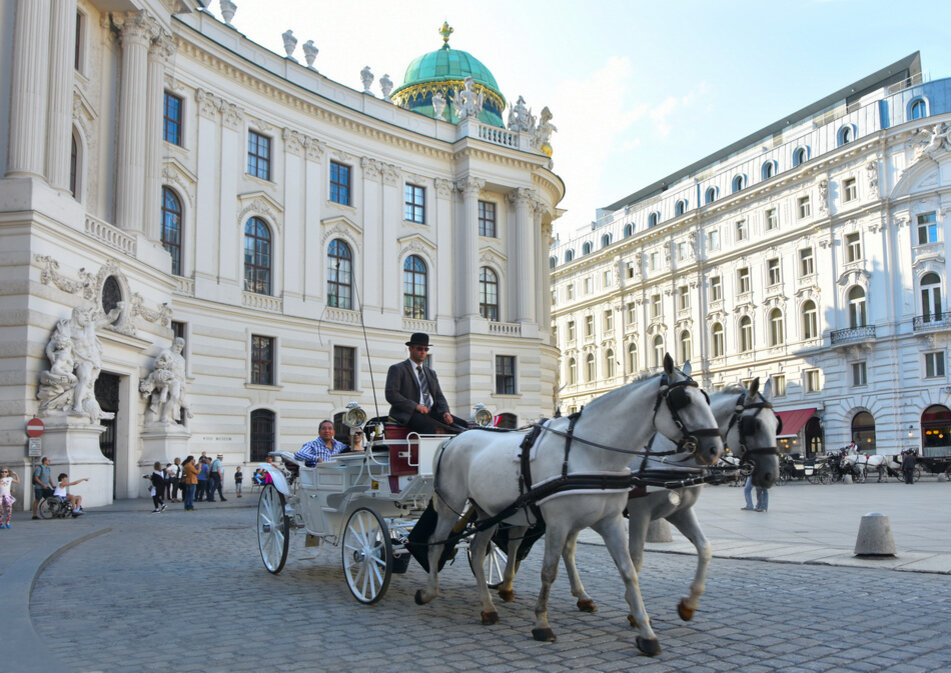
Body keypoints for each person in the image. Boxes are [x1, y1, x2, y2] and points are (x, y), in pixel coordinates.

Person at [384, 333, 468, 435]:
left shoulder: (430, 372)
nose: (423, 352)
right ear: (411, 349)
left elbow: (439, 396)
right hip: (409, 413)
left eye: (426, 349)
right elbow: (392, 395)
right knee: (429, 426)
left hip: (431, 412)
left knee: (463, 425)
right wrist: (416, 406)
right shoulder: (398, 369)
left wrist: (445, 412)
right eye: (420, 349)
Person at [294, 420, 364, 467]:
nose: (327, 431)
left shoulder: (339, 445)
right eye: (324, 429)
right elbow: (298, 454)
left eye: (330, 428)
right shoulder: (312, 445)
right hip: (317, 478)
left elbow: (353, 449)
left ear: (334, 432)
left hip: (337, 478)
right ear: (319, 432)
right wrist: (316, 458)